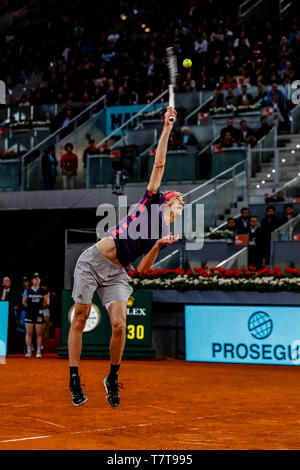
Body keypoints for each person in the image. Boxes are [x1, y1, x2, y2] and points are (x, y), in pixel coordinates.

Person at [68, 107, 184, 408]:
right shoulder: (153, 200)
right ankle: (74, 377)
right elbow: (159, 164)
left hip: (118, 273)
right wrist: (167, 127)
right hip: (92, 262)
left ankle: (112, 377)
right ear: (167, 201)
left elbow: (141, 271)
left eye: (183, 203)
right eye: (177, 198)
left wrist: (157, 246)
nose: (181, 201)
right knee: (79, 318)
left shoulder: (161, 234)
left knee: (119, 326)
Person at [23, 273, 48, 358]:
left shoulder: (43, 291)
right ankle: (29, 350)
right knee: (29, 333)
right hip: (29, 313)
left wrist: (39, 308)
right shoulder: (27, 291)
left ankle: (38, 351)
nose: (37, 280)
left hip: (39, 313)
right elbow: (24, 302)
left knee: (39, 333)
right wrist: (30, 308)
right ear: (31, 280)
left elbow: (45, 303)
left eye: (38, 278)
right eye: (35, 278)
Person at [0, 276, 19, 353]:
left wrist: (4, 300)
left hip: (10, 315)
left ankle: (12, 350)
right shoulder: (0, 292)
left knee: (11, 332)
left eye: (9, 280)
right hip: (1, 315)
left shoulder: (14, 292)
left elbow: (15, 302)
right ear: (2, 283)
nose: (8, 282)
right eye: (6, 280)